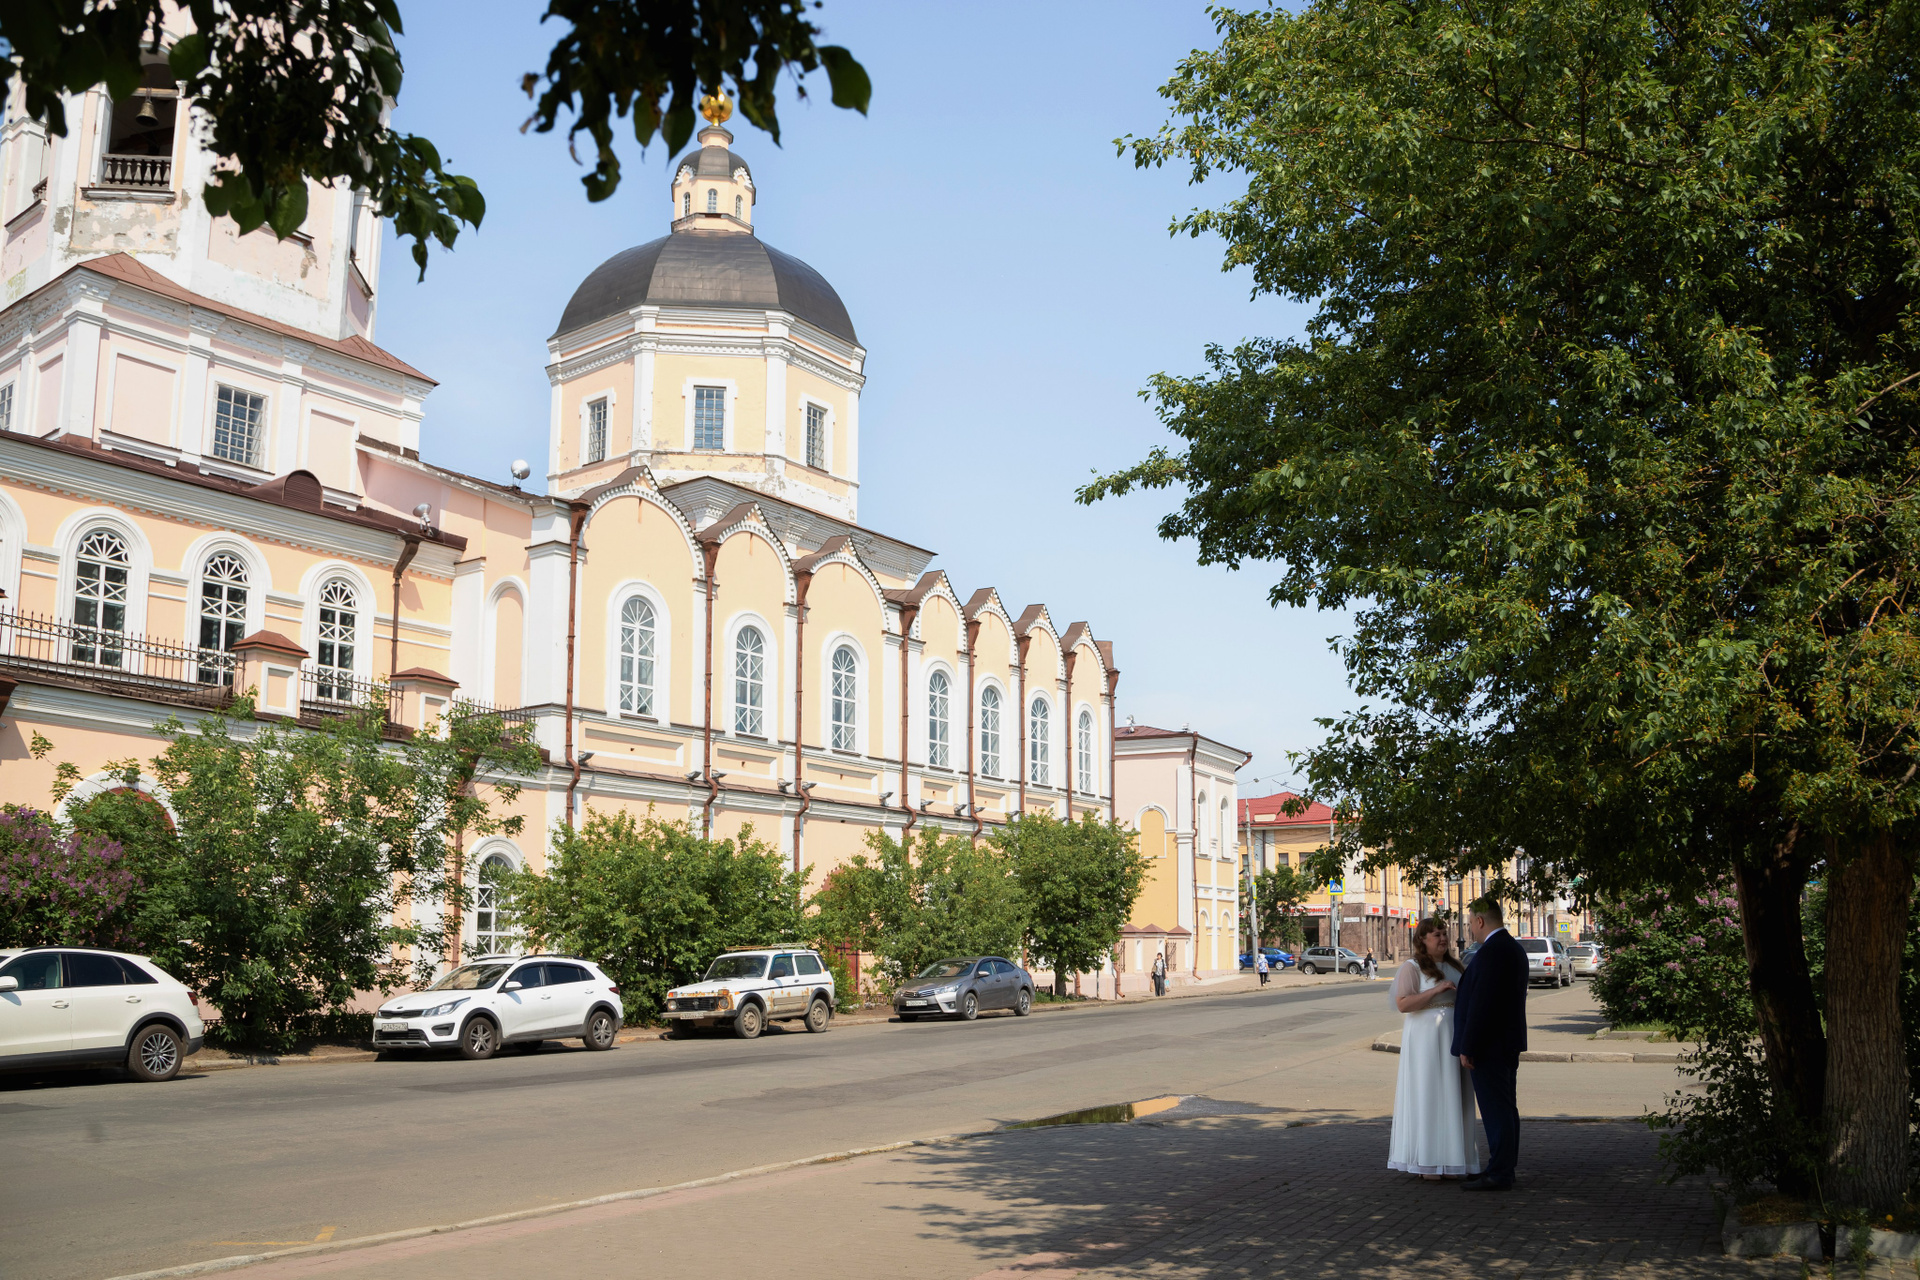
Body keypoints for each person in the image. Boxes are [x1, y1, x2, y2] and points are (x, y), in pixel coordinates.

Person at [1387, 919, 1481, 1181]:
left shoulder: (1455, 966)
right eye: (1436, 934)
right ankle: (1428, 1162)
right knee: (1429, 1093)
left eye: (1444, 934)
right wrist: (1437, 990)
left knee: (1454, 1095)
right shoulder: (1412, 967)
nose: (1443, 939)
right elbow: (1403, 1004)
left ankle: (1453, 1160)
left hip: (1453, 1035)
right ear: (1422, 939)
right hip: (1425, 1039)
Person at [1452, 896, 1529, 1191]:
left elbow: (1482, 1005)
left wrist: (1468, 1046)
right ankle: (1502, 1167)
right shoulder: (1512, 948)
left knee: (1497, 1111)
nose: (1470, 928)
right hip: (1505, 1042)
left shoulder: (1492, 952)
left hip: (1489, 1046)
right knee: (1506, 1109)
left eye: (1470, 922)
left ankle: (1499, 1173)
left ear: (1480, 921)